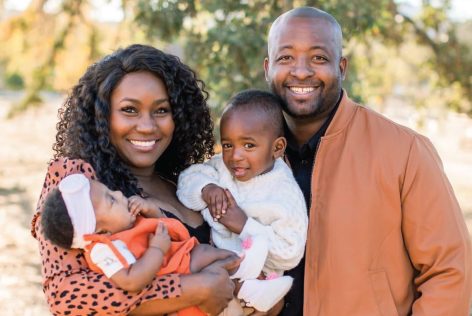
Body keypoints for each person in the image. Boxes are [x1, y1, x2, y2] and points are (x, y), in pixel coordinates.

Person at [263, 7, 472, 316]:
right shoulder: (245, 157)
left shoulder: (405, 150)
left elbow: (450, 272)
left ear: (342, 67)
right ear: (267, 68)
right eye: (286, 58)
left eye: (319, 58)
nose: (302, 71)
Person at [31, 44, 244, 316]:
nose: (147, 126)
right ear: (102, 117)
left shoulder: (187, 183)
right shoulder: (79, 181)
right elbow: (66, 296)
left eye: (161, 110)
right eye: (129, 110)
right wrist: (190, 289)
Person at [177, 89, 308, 314]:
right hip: (216, 275)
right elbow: (187, 180)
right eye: (228, 145)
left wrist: (244, 226)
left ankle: (248, 290)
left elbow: (290, 251)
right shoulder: (220, 169)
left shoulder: (284, 192)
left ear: (277, 148)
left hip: (260, 283)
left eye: (248, 145)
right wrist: (207, 189)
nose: (235, 155)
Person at [41, 173, 242, 316]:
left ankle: (244, 270)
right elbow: (131, 280)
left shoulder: (123, 226)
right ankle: (238, 271)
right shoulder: (103, 249)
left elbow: (165, 228)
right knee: (212, 259)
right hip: (175, 273)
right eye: (111, 199)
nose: (120, 194)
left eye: (111, 191)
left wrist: (152, 211)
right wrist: (156, 249)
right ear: (100, 231)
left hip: (180, 261)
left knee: (214, 256)